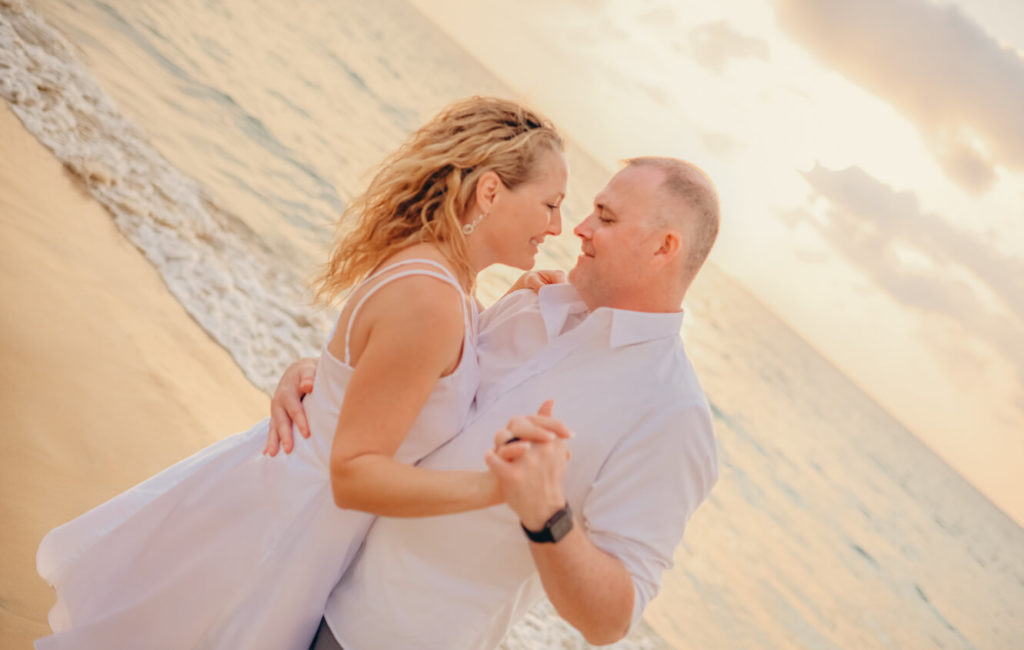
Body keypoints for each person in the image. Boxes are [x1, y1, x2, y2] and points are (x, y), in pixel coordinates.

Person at [34, 96, 570, 650]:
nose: (556, 225)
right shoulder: (431, 297)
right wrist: (497, 489)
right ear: (489, 192)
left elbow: (396, 374)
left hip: (292, 517)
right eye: (550, 204)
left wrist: (504, 310)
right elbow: (354, 473)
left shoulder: (447, 283)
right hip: (283, 534)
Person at [268, 156, 722, 649]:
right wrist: (328, 377)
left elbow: (610, 620)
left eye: (606, 218)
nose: (580, 229)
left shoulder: (672, 414)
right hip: (304, 574)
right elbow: (421, 388)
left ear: (664, 248)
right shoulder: (532, 300)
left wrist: (547, 514)